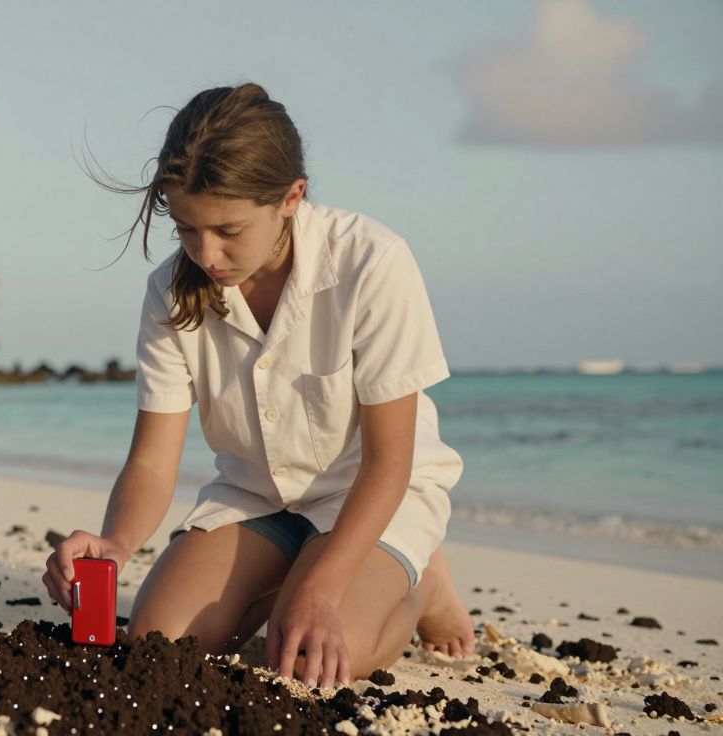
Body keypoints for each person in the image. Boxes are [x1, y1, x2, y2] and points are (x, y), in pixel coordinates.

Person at [42, 83, 476, 690]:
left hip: (368, 497)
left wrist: (321, 593)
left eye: (228, 229)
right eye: (186, 229)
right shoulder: (169, 291)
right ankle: (294, 574)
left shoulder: (371, 262)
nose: (206, 254)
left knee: (318, 659)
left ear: (291, 197)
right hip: (256, 499)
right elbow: (152, 461)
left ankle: (422, 580)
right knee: (158, 641)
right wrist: (116, 541)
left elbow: (388, 462)